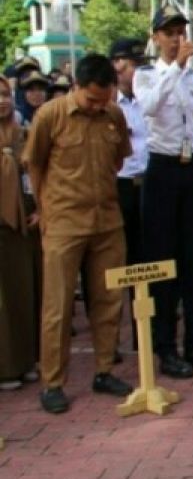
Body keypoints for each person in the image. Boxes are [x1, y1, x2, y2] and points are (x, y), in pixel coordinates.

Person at [22, 54, 134, 414]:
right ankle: (53, 382)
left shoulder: (114, 116)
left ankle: (104, 370)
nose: (98, 106)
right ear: (75, 87)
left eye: (104, 99)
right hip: (64, 223)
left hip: (107, 221)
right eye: (92, 99)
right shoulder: (50, 116)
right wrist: (45, 209)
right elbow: (35, 163)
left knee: (110, 299)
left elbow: (119, 160)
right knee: (58, 305)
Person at [135, 7, 193, 378]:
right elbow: (149, 107)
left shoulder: (192, 79)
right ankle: (166, 347)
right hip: (162, 169)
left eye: (180, 32)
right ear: (156, 37)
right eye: (169, 32)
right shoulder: (147, 75)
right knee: (164, 262)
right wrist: (174, 68)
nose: (176, 38)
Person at [0, 77, 39, 390]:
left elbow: (39, 173)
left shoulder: (22, 134)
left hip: (23, 227)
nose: (2, 101)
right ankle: (5, 368)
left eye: (4, 94)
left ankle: (26, 361)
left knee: (24, 295)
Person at [110, 39, 149, 354]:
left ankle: (146, 336)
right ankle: (112, 341)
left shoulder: (147, 99)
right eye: (134, 64)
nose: (139, 70)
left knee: (151, 260)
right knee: (119, 265)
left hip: (149, 185)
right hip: (119, 187)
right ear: (118, 66)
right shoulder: (107, 105)